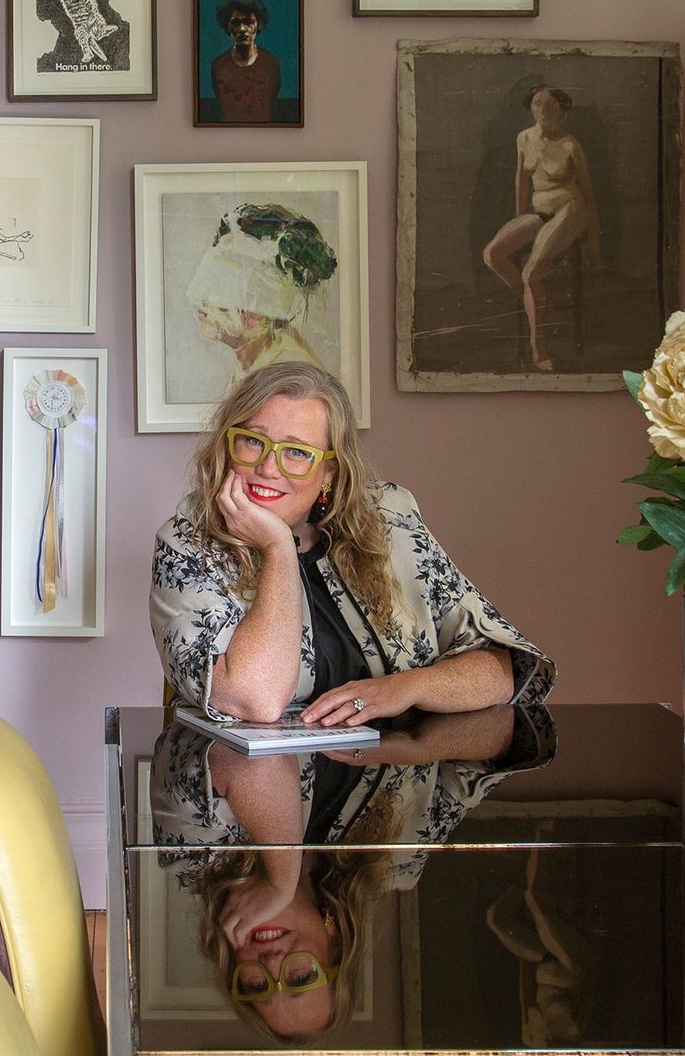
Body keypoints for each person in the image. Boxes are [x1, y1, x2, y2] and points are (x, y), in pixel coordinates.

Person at [150, 361, 555, 727]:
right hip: (244, 776)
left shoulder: (389, 520)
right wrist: (278, 548)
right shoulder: (187, 544)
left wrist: (407, 687)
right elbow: (256, 700)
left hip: (390, 774)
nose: (268, 467)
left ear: (329, 471)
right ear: (228, 446)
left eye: (297, 452)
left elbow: (503, 670)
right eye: (253, 441)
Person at [150, 703, 557, 1040]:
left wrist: (282, 879)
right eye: (300, 977)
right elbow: (507, 728)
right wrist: (415, 737)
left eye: (256, 985)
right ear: (336, 943)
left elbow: (251, 754)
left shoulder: (195, 858)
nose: (272, 965)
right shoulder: (398, 859)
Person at [482, 83, 602, 371]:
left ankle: (539, 349)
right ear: (531, 108)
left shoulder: (570, 144)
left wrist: (594, 237)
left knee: (530, 273)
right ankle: (538, 302)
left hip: (571, 210)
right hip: (540, 212)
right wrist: (519, 219)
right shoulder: (524, 138)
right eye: (538, 104)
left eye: (550, 104)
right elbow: (521, 182)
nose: (544, 109)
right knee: (492, 254)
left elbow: (588, 192)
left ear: (560, 107)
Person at [185, 204, 336, 389]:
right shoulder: (254, 361)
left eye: (221, 281)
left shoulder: (288, 374)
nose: (200, 298)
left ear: (258, 310)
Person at [208, 0, 281, 123]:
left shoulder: (271, 64)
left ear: (258, 25)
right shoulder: (218, 66)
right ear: (228, 27)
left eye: (248, 22)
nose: (242, 29)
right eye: (236, 23)